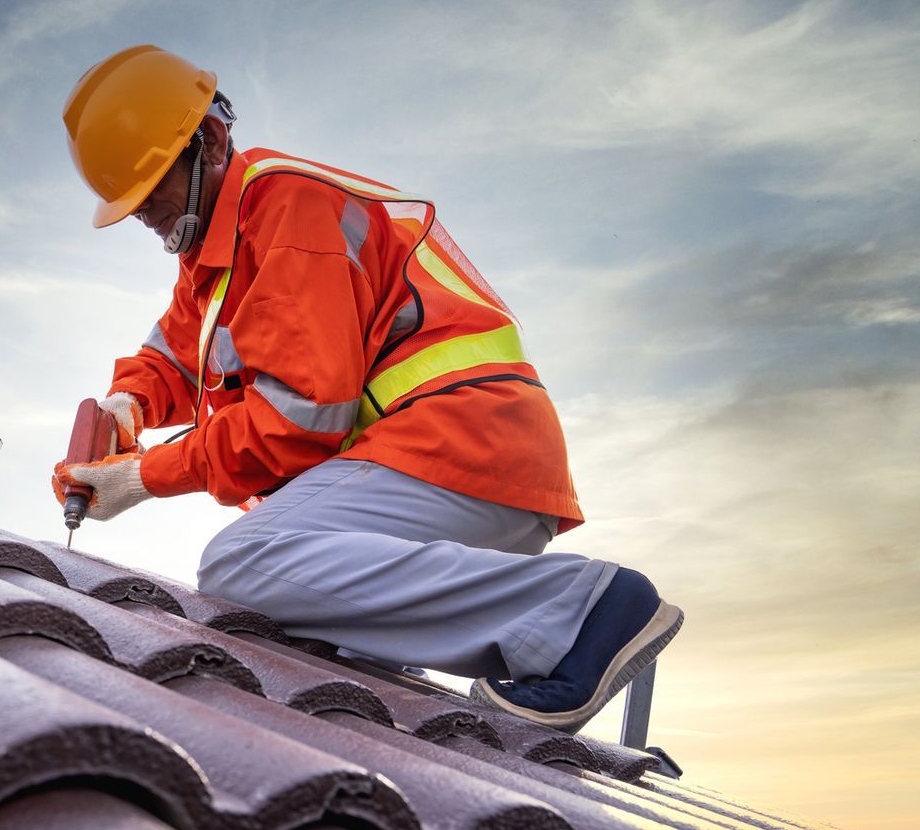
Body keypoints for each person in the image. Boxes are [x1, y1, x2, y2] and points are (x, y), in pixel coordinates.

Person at [51, 45, 681, 732]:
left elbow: (302, 417)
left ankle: (581, 612)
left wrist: (145, 474)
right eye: (133, 203)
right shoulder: (220, 248)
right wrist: (130, 403)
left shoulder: (290, 211)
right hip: (443, 460)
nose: (145, 217)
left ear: (211, 139)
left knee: (244, 562)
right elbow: (176, 346)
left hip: (459, 444)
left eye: (152, 191)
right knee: (316, 638)